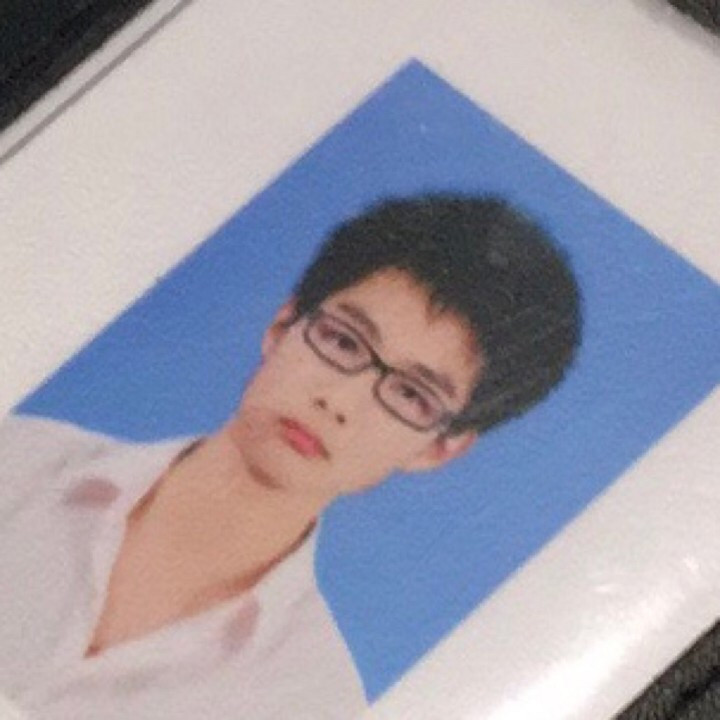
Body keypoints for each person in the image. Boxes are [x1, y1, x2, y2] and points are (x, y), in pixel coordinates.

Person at [0, 194, 581, 719]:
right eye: (344, 341)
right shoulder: (18, 455)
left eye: (410, 394)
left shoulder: (312, 702)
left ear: (439, 449)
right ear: (283, 326)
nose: (338, 401)